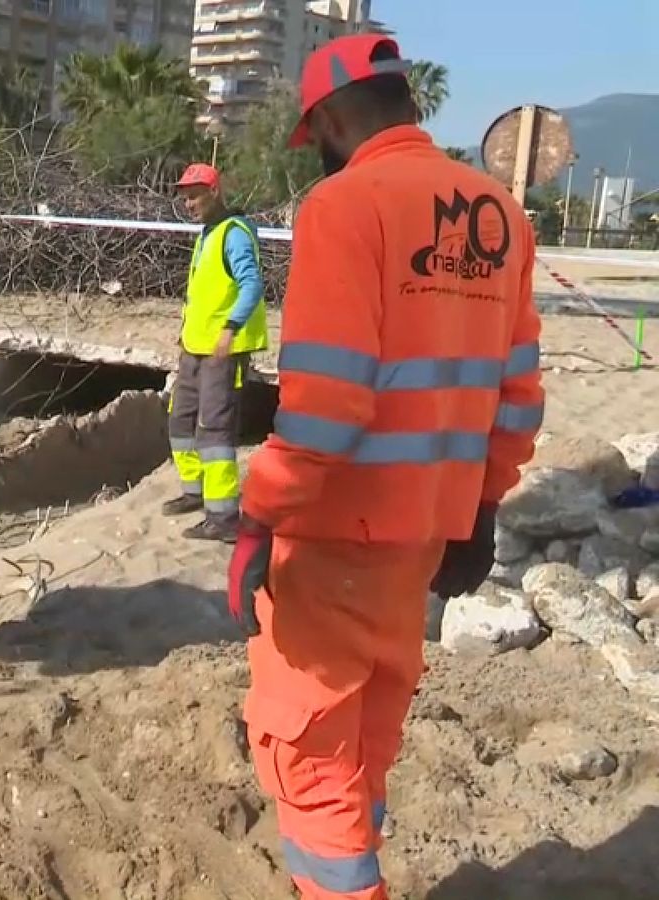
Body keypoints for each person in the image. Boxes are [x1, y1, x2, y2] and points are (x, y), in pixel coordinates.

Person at [226, 34, 544, 900]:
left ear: (329, 118)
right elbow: (518, 401)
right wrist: (481, 506)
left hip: (336, 537)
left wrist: (258, 513)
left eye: (316, 134)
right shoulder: (499, 216)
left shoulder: (344, 206)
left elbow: (327, 406)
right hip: (425, 539)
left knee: (309, 756)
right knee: (365, 740)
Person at [164, 163, 268, 543]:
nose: (189, 203)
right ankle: (195, 492)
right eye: (185, 197)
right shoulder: (207, 234)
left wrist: (229, 330)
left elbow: (251, 285)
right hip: (195, 347)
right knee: (181, 421)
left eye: (195, 195)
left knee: (214, 431)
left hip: (221, 352)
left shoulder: (232, 234)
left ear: (214, 192)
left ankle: (223, 519)